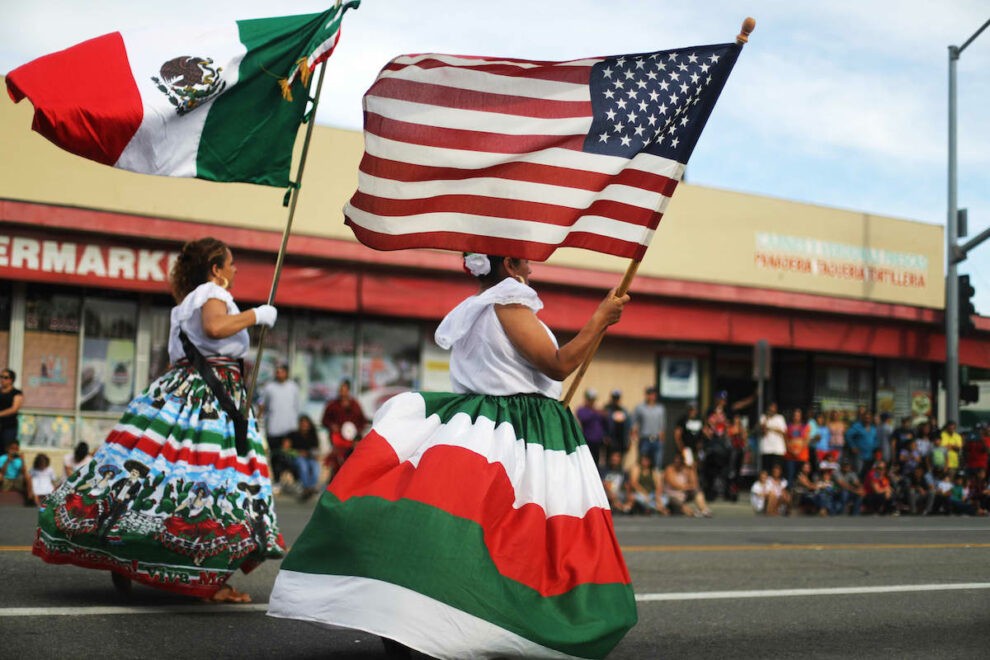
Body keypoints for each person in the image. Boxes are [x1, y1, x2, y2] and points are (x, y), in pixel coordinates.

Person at [269, 253, 637, 658]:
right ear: (511, 264)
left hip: (488, 422)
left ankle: (416, 616)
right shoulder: (510, 301)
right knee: (525, 538)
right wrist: (600, 317)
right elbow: (558, 364)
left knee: (461, 532)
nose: (532, 266)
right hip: (518, 430)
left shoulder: (476, 309)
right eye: (526, 259)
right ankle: (500, 622)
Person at [33, 237, 284, 603]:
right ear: (215, 269)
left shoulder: (184, 303)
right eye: (230, 263)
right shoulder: (211, 292)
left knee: (150, 475)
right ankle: (208, 581)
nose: (235, 270)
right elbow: (215, 329)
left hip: (182, 390)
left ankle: (122, 553)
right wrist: (257, 315)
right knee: (218, 481)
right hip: (210, 398)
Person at [259, 363, 301, 490]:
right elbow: (262, 403)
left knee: (291, 456)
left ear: (286, 373)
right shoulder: (269, 387)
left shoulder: (293, 387)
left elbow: (297, 406)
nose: (279, 374)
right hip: (273, 428)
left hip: (289, 428)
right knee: (276, 456)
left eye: (281, 371)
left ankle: (295, 481)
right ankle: (277, 480)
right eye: (277, 371)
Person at [321, 379, 368, 479]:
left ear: (348, 390)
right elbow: (324, 420)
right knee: (338, 461)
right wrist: (332, 426)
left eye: (344, 390)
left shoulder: (355, 405)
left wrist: (357, 433)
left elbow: (362, 421)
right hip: (337, 439)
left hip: (352, 440)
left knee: (352, 462)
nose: (342, 392)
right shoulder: (332, 405)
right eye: (340, 390)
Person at [663, 451, 711, 517]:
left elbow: (695, 484)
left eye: (680, 460)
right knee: (678, 503)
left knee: (697, 490)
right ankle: (693, 513)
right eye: (676, 460)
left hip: (684, 493)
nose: (678, 461)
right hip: (672, 496)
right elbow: (675, 485)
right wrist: (687, 486)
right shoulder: (669, 470)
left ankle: (704, 509)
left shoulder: (686, 469)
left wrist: (692, 469)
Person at [632, 386, 666, 470]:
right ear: (646, 395)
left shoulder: (660, 409)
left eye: (653, 394)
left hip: (657, 440)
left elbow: (662, 425)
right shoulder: (640, 408)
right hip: (644, 439)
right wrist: (634, 434)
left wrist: (662, 438)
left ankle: (655, 481)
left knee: (657, 463)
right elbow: (634, 422)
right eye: (649, 394)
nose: (651, 396)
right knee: (642, 463)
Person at [288, 414, 321, 500]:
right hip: (297, 457)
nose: (304, 426)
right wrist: (298, 452)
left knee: (315, 466)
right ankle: (306, 487)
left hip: (310, 458)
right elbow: (287, 449)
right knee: (303, 465)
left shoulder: (313, 435)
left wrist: (314, 455)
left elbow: (316, 449)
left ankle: (312, 486)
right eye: (303, 424)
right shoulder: (293, 435)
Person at [576, 388, 608, 468]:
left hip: (598, 442)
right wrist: (596, 412)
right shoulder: (582, 410)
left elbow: (605, 423)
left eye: (593, 400)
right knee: (587, 461)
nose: (592, 402)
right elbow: (583, 418)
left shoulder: (598, 411)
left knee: (597, 462)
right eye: (590, 399)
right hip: (588, 441)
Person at [758, 402, 787, 475]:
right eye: (771, 408)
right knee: (766, 470)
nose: (772, 410)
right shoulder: (763, 417)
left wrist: (770, 428)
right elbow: (763, 432)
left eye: (774, 408)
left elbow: (783, 431)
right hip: (766, 449)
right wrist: (766, 420)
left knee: (777, 470)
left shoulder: (780, 418)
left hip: (778, 449)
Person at [601, 450, 632, 514]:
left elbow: (627, 486)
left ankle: (622, 508)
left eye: (616, 457)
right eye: (613, 457)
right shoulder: (604, 470)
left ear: (620, 459)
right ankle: (623, 508)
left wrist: (628, 495)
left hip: (619, 493)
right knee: (612, 496)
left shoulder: (623, 472)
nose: (614, 459)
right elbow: (603, 484)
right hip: (607, 493)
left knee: (632, 497)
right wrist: (610, 492)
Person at [603, 389, 632, 460]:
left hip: (621, 441)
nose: (616, 400)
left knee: (620, 459)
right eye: (614, 398)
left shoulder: (624, 411)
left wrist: (628, 441)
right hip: (610, 441)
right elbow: (602, 424)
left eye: (617, 398)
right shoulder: (606, 409)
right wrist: (605, 436)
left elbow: (628, 427)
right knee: (609, 459)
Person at [0, 368, 24, 450]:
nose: (2, 379)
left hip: (9, 426)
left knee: (7, 448)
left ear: (11, 380)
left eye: (5, 377)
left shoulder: (16, 393)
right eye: (1, 377)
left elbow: (14, 409)